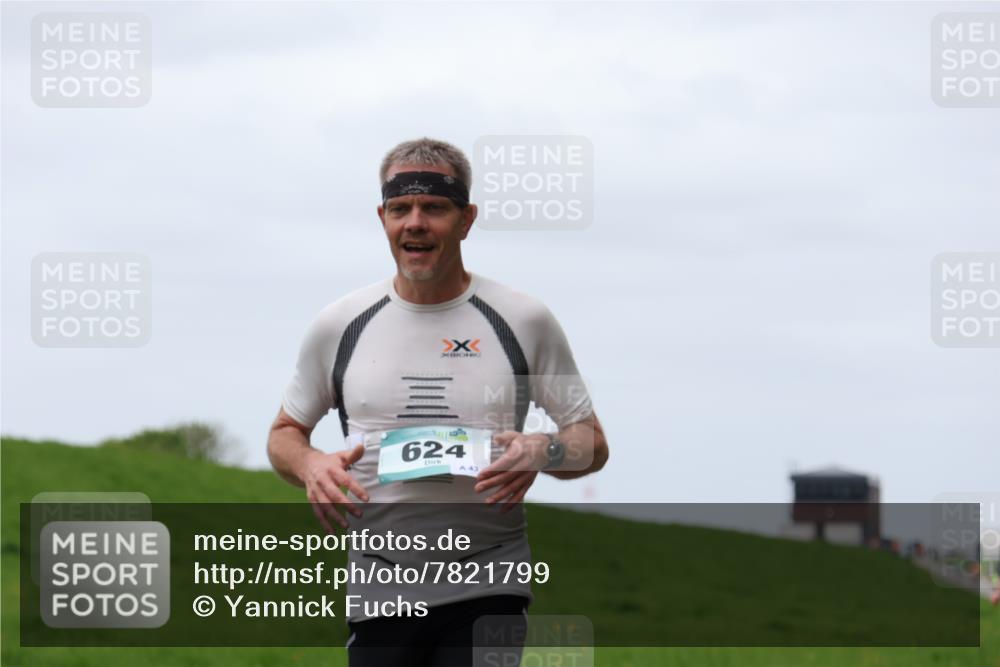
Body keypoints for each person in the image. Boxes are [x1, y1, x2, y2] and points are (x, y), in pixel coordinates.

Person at [267, 137, 609, 666]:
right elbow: (284, 434)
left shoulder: (523, 319)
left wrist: (544, 450)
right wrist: (310, 462)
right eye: (401, 209)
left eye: (435, 208)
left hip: (489, 580)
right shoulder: (340, 324)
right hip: (381, 583)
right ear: (382, 217)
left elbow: (592, 441)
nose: (416, 223)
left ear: (467, 219)